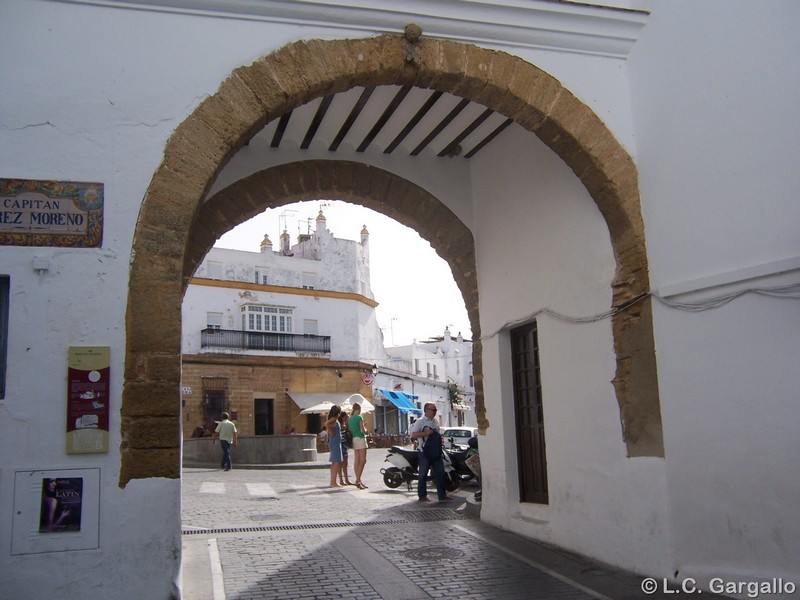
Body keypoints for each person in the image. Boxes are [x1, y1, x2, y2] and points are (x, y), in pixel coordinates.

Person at [409, 403, 452, 503]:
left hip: (436, 452)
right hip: (424, 452)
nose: (435, 412)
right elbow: (414, 435)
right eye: (433, 410)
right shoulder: (420, 422)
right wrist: (426, 433)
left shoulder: (435, 422)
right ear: (426, 410)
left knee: (440, 473)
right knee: (423, 474)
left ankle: (442, 495)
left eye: (435, 410)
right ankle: (422, 496)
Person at [347, 402, 368, 489]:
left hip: (354, 439)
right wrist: (366, 428)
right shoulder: (359, 417)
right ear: (359, 409)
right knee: (363, 460)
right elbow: (363, 431)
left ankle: (358, 480)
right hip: (361, 438)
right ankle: (358, 480)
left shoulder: (350, 418)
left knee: (357, 460)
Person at [323, 405, 343, 488]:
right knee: (336, 461)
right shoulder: (334, 419)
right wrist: (331, 431)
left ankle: (333, 481)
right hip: (335, 442)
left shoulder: (334, 419)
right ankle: (333, 482)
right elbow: (326, 424)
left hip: (335, 442)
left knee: (335, 462)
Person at [338, 412, 355, 486]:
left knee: (345, 463)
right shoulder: (339, 425)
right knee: (340, 463)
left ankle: (346, 479)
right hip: (340, 444)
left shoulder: (346, 425)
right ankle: (341, 480)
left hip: (345, 444)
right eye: (346, 417)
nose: (347, 418)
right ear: (342, 417)